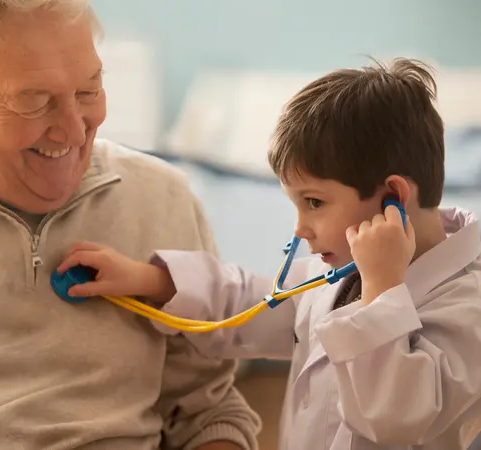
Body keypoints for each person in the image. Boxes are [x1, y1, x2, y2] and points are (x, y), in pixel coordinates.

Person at [0, 1, 261, 449]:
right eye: (34, 101)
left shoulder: (161, 198)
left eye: (88, 91)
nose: (74, 132)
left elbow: (206, 412)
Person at [58, 59, 481, 450]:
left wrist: (384, 290)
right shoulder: (338, 273)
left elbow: (395, 418)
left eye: (314, 202)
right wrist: (149, 279)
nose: (299, 228)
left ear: (392, 198)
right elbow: (253, 305)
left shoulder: (467, 306)